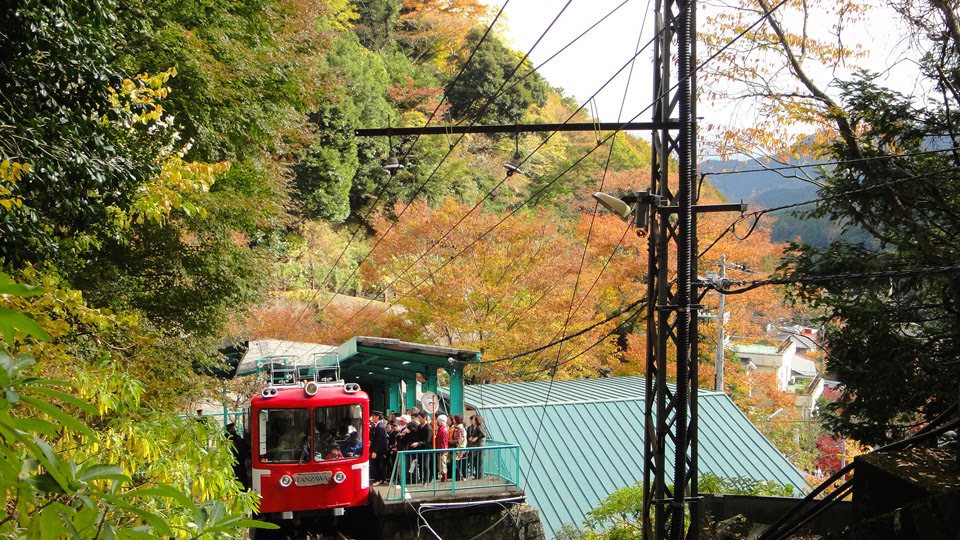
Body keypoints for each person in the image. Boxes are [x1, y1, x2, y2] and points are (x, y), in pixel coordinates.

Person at [369, 411, 388, 485]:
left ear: (377, 417)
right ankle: (378, 478)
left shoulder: (380, 427)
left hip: (379, 451)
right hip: (377, 450)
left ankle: (380, 479)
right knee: (376, 464)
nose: (372, 418)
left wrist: (375, 451)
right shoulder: (377, 426)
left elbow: (379, 441)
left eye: (373, 416)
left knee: (378, 465)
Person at [467, 414, 486, 480]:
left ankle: (480, 476)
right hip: (477, 445)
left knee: (480, 461)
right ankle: (477, 475)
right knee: (477, 461)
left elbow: (483, 435)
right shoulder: (475, 427)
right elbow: (474, 434)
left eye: (474, 419)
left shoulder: (479, 427)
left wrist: (477, 437)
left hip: (480, 445)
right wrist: (472, 437)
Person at [448, 414, 467, 480]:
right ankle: (458, 476)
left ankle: (459, 476)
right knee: (455, 463)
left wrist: (449, 441)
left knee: (456, 463)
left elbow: (458, 440)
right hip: (457, 448)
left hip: (458, 448)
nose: (453, 420)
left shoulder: (459, 428)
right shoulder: (456, 427)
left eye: (454, 419)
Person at [435, 414, 450, 482]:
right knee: (441, 464)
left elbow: (443, 442)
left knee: (442, 464)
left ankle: (444, 478)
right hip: (440, 449)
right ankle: (443, 477)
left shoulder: (443, 430)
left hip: (442, 450)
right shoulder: (441, 429)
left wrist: (443, 452)